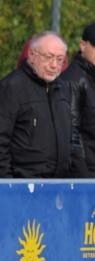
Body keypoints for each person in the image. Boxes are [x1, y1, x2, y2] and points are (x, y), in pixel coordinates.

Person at [0, 31, 86, 178]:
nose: (54, 65)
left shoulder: (64, 89)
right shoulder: (11, 87)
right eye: (49, 57)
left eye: (60, 59)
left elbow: (73, 141)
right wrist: (9, 185)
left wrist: (83, 183)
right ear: (32, 55)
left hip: (58, 187)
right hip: (22, 187)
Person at [62, 21, 95, 177]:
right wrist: (84, 177)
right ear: (83, 45)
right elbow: (71, 134)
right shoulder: (73, 79)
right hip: (84, 175)